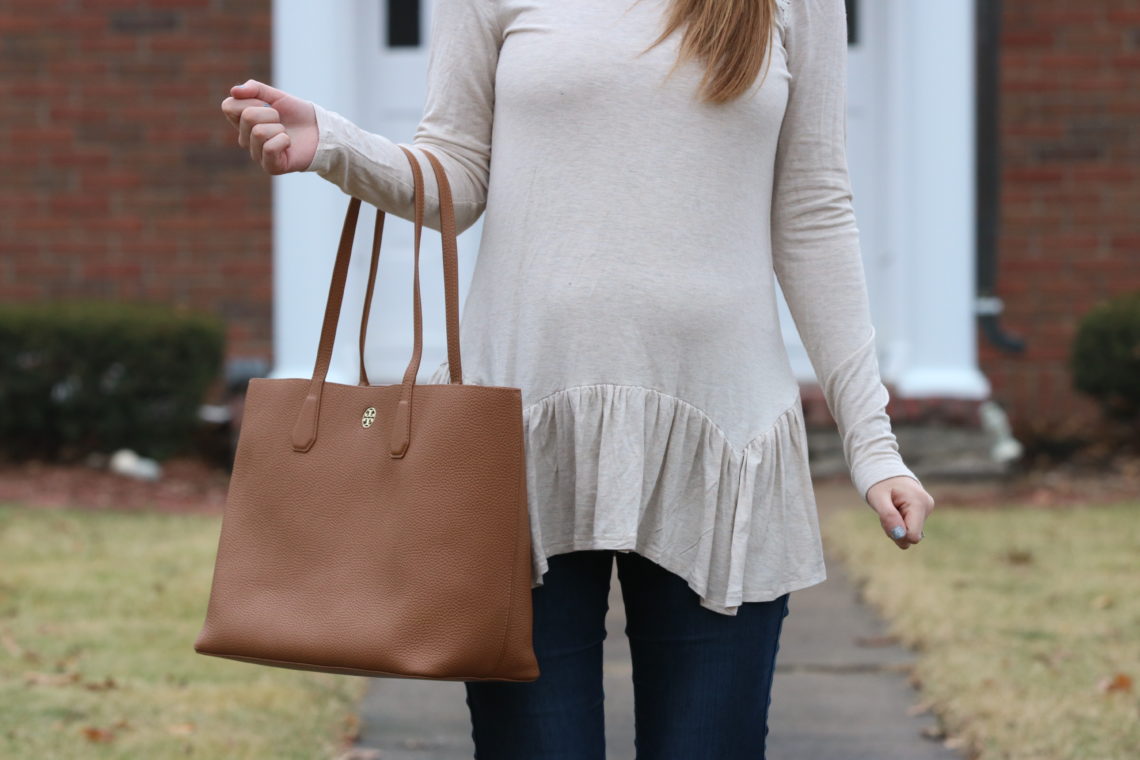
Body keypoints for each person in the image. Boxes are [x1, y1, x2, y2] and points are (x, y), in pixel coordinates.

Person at [221, 0, 936, 756]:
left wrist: (873, 444)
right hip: (519, 444)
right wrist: (333, 144)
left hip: (722, 448)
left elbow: (813, 209)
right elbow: (457, 173)